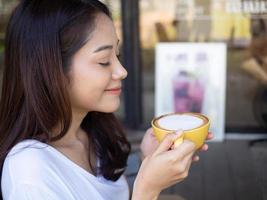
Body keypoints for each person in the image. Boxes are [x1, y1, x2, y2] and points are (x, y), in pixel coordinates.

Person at [0, 0, 212, 199]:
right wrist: (147, 189)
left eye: (116, 56)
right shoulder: (30, 173)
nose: (122, 71)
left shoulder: (93, 133)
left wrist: (148, 161)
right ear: (50, 70)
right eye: (103, 61)